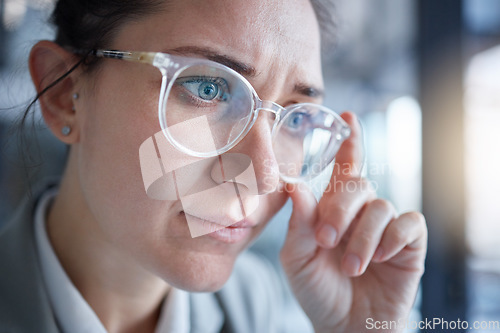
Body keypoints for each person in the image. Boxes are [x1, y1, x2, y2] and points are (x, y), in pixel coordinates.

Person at [0, 0, 427, 332]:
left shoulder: (254, 301)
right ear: (64, 93)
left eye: (295, 118)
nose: (262, 175)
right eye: (209, 88)